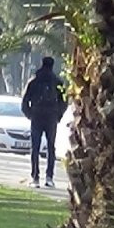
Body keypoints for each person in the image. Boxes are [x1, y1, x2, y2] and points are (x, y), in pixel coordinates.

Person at [21, 56, 67, 188]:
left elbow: (24, 101)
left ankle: (35, 177)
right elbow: (64, 101)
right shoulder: (57, 82)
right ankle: (49, 177)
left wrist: (30, 114)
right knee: (50, 148)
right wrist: (58, 115)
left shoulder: (34, 81)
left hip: (37, 117)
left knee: (35, 148)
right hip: (50, 118)